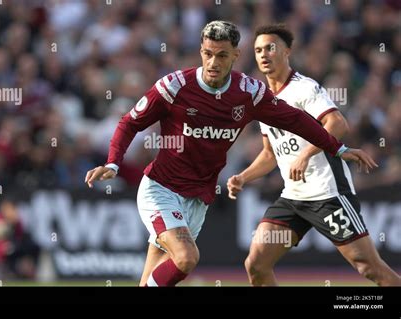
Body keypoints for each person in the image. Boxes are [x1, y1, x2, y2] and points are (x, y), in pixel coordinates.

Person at [85, 21, 377, 287]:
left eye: (222, 55)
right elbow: (129, 122)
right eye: (208, 54)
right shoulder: (174, 87)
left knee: (151, 281)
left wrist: (337, 147)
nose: (213, 62)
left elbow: (297, 120)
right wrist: (113, 161)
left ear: (235, 56)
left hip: (198, 198)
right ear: (201, 51)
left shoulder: (249, 93)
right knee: (186, 258)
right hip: (162, 189)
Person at [227, 24, 401, 286]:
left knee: (369, 268)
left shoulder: (304, 88)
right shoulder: (262, 100)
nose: (264, 54)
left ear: (287, 51)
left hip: (328, 194)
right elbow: (270, 153)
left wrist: (306, 154)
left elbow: (338, 123)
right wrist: (243, 176)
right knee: (256, 264)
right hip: (293, 199)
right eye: (258, 50)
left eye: (270, 48)